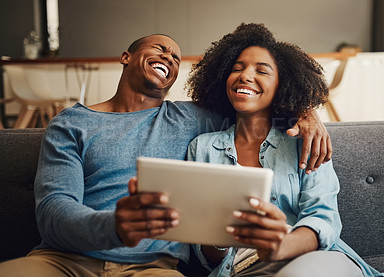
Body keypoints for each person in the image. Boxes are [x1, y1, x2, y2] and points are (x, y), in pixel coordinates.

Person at [0, 33, 331, 276]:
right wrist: (114, 227)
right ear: (126, 56)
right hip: (63, 260)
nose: (169, 57)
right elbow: (54, 212)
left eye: (176, 58)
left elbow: (257, 107)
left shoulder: (192, 119)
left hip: (153, 266)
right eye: (160, 48)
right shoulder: (72, 124)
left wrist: (306, 113)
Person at [185, 23, 383, 277]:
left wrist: (281, 246)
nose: (245, 75)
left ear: (283, 84)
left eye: (262, 71)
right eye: (237, 68)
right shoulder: (201, 149)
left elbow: (324, 218)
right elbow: (204, 254)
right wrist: (218, 236)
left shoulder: (305, 141)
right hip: (241, 269)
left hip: (314, 259)